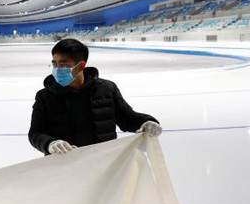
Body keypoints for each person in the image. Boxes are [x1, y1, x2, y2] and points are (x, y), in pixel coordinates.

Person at [29, 39, 161, 155]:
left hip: (103, 164)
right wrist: (49, 144)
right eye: (55, 64)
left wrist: (147, 121)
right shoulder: (45, 96)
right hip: (64, 166)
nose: (57, 69)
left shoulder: (107, 89)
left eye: (63, 64)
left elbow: (126, 117)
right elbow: (35, 133)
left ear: (81, 65)